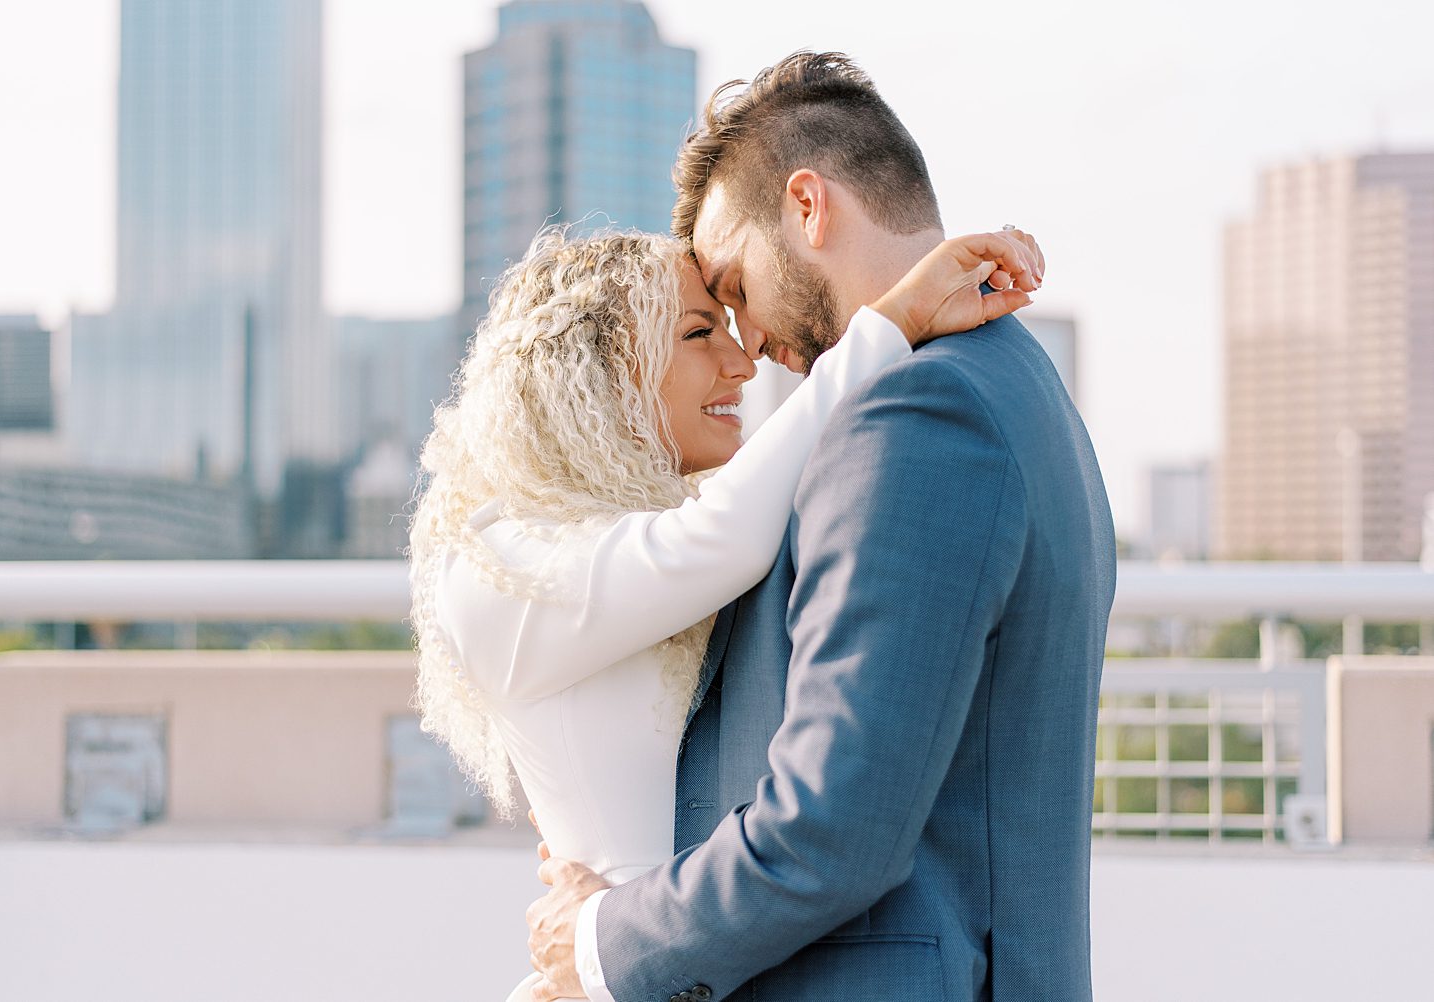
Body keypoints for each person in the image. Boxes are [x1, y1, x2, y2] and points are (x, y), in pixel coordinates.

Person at [524, 52, 1116, 1002]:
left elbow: (830, 827)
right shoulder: (1018, 385)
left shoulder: (920, 421)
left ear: (808, 207)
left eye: (735, 287)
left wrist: (604, 941)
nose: (746, 343)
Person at [405, 219, 1043, 1002]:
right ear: (599, 368)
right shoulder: (498, 566)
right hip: (627, 974)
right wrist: (893, 321)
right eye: (700, 331)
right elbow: (725, 537)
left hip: (671, 964)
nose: (741, 361)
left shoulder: (632, 540)